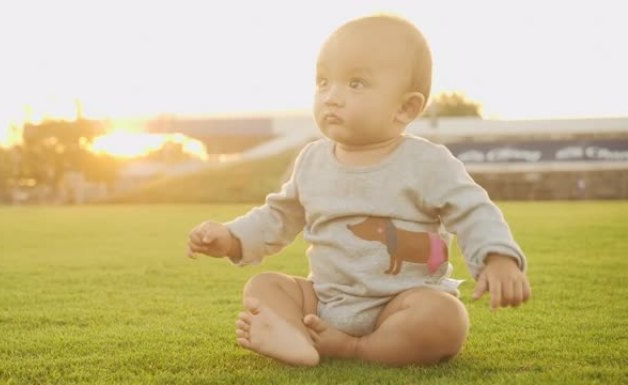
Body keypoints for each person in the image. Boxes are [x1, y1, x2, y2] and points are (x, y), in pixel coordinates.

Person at [187, 14, 531, 367]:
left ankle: (355, 348)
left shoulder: (426, 162)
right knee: (264, 287)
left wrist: (497, 257)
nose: (332, 97)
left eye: (356, 83)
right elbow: (279, 216)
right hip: (324, 302)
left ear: (405, 108)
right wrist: (231, 237)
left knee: (446, 318)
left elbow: (472, 209)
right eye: (323, 82)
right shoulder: (312, 160)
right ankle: (294, 335)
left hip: (401, 304)